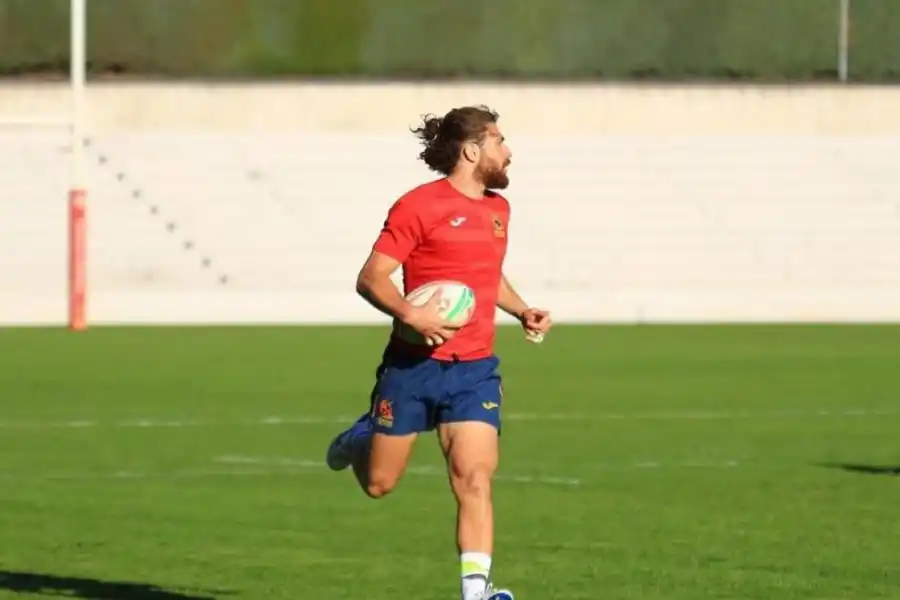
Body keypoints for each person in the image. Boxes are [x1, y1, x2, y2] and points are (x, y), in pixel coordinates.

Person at [324, 105, 552, 600]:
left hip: (473, 371)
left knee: (474, 476)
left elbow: (487, 276)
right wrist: (411, 314)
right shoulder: (417, 206)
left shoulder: (498, 211)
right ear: (473, 150)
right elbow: (371, 277)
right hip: (411, 368)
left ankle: (475, 594)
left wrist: (521, 310)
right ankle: (360, 437)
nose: (508, 152)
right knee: (379, 484)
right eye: (500, 141)